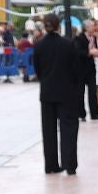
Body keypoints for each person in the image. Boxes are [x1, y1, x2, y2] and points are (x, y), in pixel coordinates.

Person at [32, 13, 84, 175]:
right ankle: (69, 165)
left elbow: (38, 70)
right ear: (58, 25)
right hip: (67, 92)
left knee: (48, 130)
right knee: (69, 128)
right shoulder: (68, 44)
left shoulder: (39, 45)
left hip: (47, 92)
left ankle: (51, 165)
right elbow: (76, 69)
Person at [82, 19, 98, 121]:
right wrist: (89, 52)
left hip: (93, 67)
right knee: (80, 92)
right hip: (82, 68)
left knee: (93, 91)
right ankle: (81, 113)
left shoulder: (96, 37)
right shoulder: (80, 38)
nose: (94, 28)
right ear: (87, 28)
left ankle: (94, 113)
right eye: (92, 26)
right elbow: (78, 51)